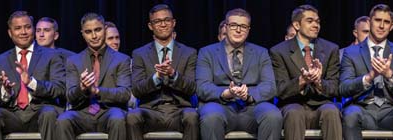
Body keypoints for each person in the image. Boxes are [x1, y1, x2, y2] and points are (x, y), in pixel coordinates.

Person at [196, 8, 283, 140]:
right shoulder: (207, 52)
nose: (238, 30)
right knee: (210, 116)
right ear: (226, 26)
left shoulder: (261, 53)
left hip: (252, 107)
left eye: (243, 26)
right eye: (233, 25)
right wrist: (225, 93)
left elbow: (270, 86)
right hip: (220, 106)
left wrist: (248, 95)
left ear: (248, 29)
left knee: (272, 115)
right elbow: (202, 86)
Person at [0, 11, 65, 140]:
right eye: (18, 28)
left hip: (41, 112)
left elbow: (60, 88)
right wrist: (5, 92)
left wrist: (32, 82)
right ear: (10, 33)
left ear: (33, 29)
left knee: (49, 113)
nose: (23, 32)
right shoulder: (0, 60)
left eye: (28, 27)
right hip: (13, 115)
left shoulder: (51, 55)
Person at [339, 4, 393, 140]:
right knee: (350, 114)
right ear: (369, 22)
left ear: (391, 26)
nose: (381, 26)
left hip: (390, 111)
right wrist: (369, 77)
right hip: (362, 109)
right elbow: (343, 88)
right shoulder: (351, 52)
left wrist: (389, 75)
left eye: (386, 22)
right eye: (377, 20)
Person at [127, 4, 199, 140]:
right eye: (157, 21)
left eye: (167, 20)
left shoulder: (189, 53)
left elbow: (192, 88)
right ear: (150, 26)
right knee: (132, 116)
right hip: (150, 111)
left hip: (179, 110)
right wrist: (156, 77)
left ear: (173, 23)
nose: (163, 24)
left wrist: (173, 74)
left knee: (192, 116)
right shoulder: (139, 54)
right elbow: (136, 90)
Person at [269, 5, 341, 140]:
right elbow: (280, 89)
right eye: (310, 21)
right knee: (294, 113)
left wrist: (318, 82)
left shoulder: (331, 49)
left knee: (332, 111)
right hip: (293, 104)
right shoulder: (279, 51)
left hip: (321, 104)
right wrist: (302, 81)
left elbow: (335, 87)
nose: (316, 25)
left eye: (318, 21)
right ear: (296, 25)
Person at [56, 13, 131, 140]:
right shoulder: (73, 60)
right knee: (64, 119)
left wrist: (97, 91)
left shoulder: (122, 59)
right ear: (83, 34)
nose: (94, 36)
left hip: (109, 112)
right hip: (82, 113)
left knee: (118, 118)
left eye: (98, 30)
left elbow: (125, 94)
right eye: (88, 32)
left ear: (105, 30)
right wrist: (82, 88)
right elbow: (70, 96)